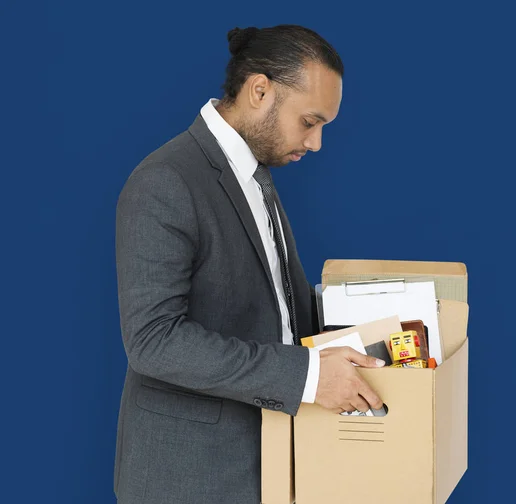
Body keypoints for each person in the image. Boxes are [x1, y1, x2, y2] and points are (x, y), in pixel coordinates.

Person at [113, 24, 385, 504]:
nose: (317, 143)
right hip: (190, 479)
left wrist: (382, 321)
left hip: (270, 461)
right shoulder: (166, 180)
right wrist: (308, 376)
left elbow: (273, 306)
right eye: (310, 121)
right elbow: (153, 341)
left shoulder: (254, 174)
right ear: (260, 90)